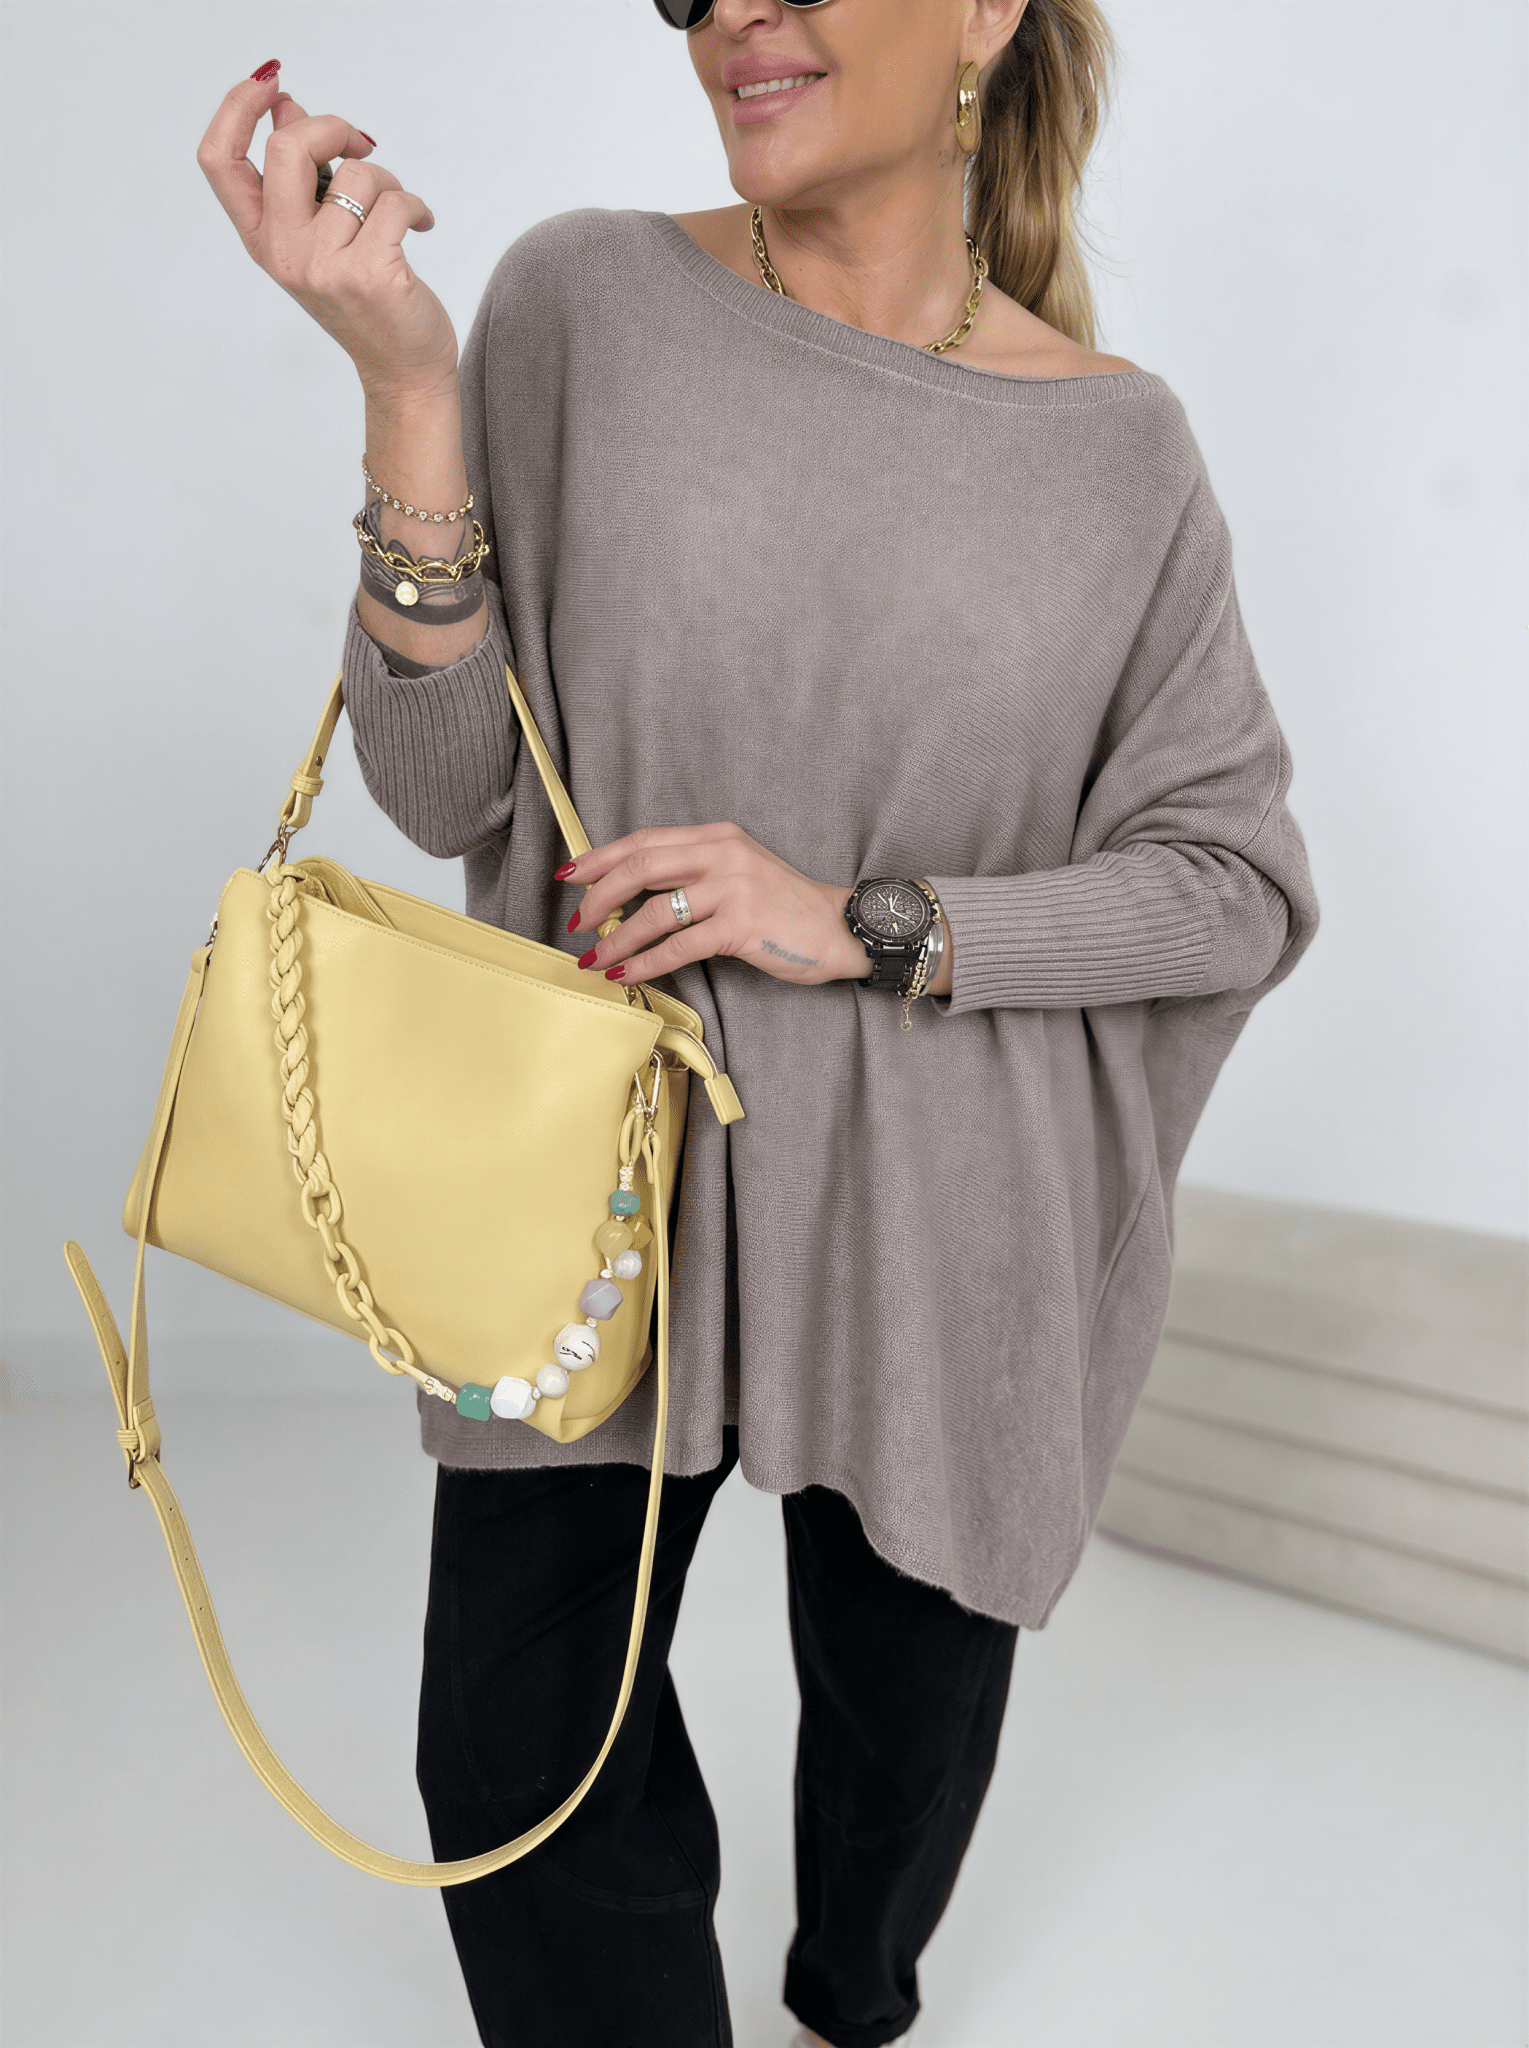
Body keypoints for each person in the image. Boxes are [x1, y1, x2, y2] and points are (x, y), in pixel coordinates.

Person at [198, 3, 1319, 2042]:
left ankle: (846, 1981)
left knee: (901, 1735)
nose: (736, 14)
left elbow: (1231, 882)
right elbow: (446, 791)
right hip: (585, 1187)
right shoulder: (580, 303)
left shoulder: (1117, 454)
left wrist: (863, 923)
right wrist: (407, 387)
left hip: (944, 1218)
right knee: (513, 1753)